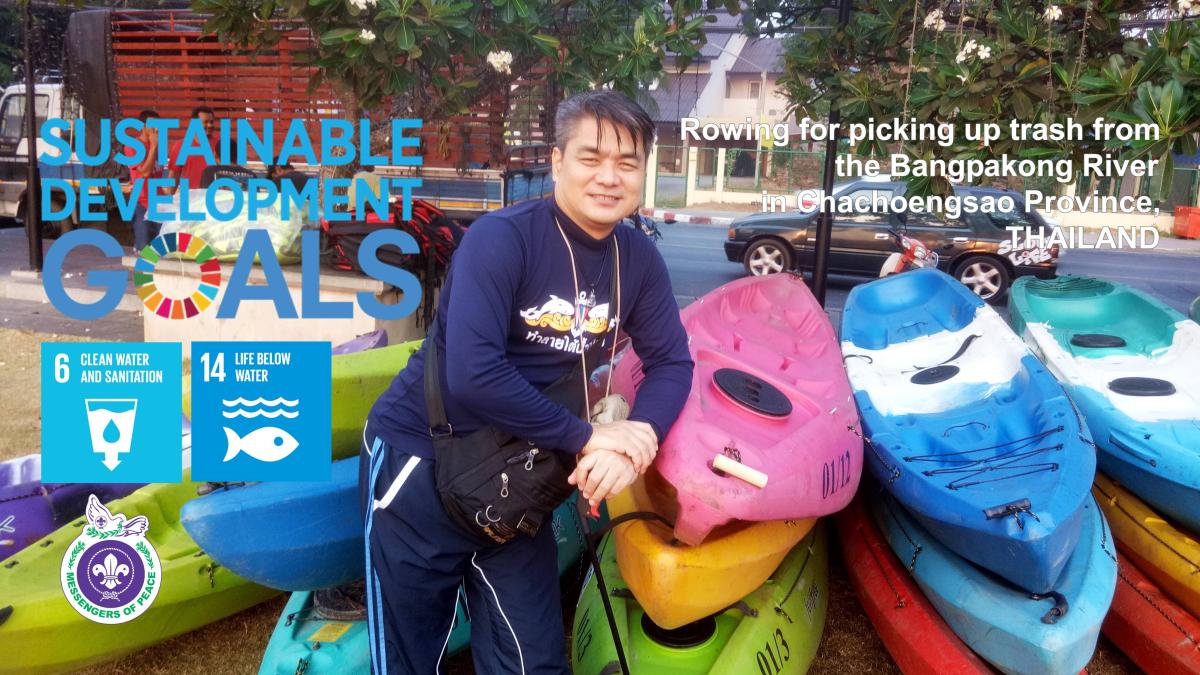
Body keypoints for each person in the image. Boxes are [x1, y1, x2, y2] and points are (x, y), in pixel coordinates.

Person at [360, 91, 693, 674]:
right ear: (558, 160)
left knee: (532, 658)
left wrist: (639, 437)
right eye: (591, 158)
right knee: (411, 654)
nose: (609, 177)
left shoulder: (636, 259)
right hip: (422, 458)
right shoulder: (503, 238)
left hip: (523, 471)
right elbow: (474, 373)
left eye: (627, 162)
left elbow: (672, 363)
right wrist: (589, 438)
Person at [123, 109, 162, 251]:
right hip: (141, 203)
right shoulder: (132, 147)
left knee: (161, 249)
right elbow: (145, 172)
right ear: (142, 127)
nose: (157, 129)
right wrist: (153, 147)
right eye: (153, 125)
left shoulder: (159, 146)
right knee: (144, 249)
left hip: (159, 204)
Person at [165, 105, 216, 196]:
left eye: (211, 122)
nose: (210, 125)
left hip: (216, 198)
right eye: (205, 122)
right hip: (192, 200)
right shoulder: (181, 146)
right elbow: (174, 177)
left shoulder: (221, 145)